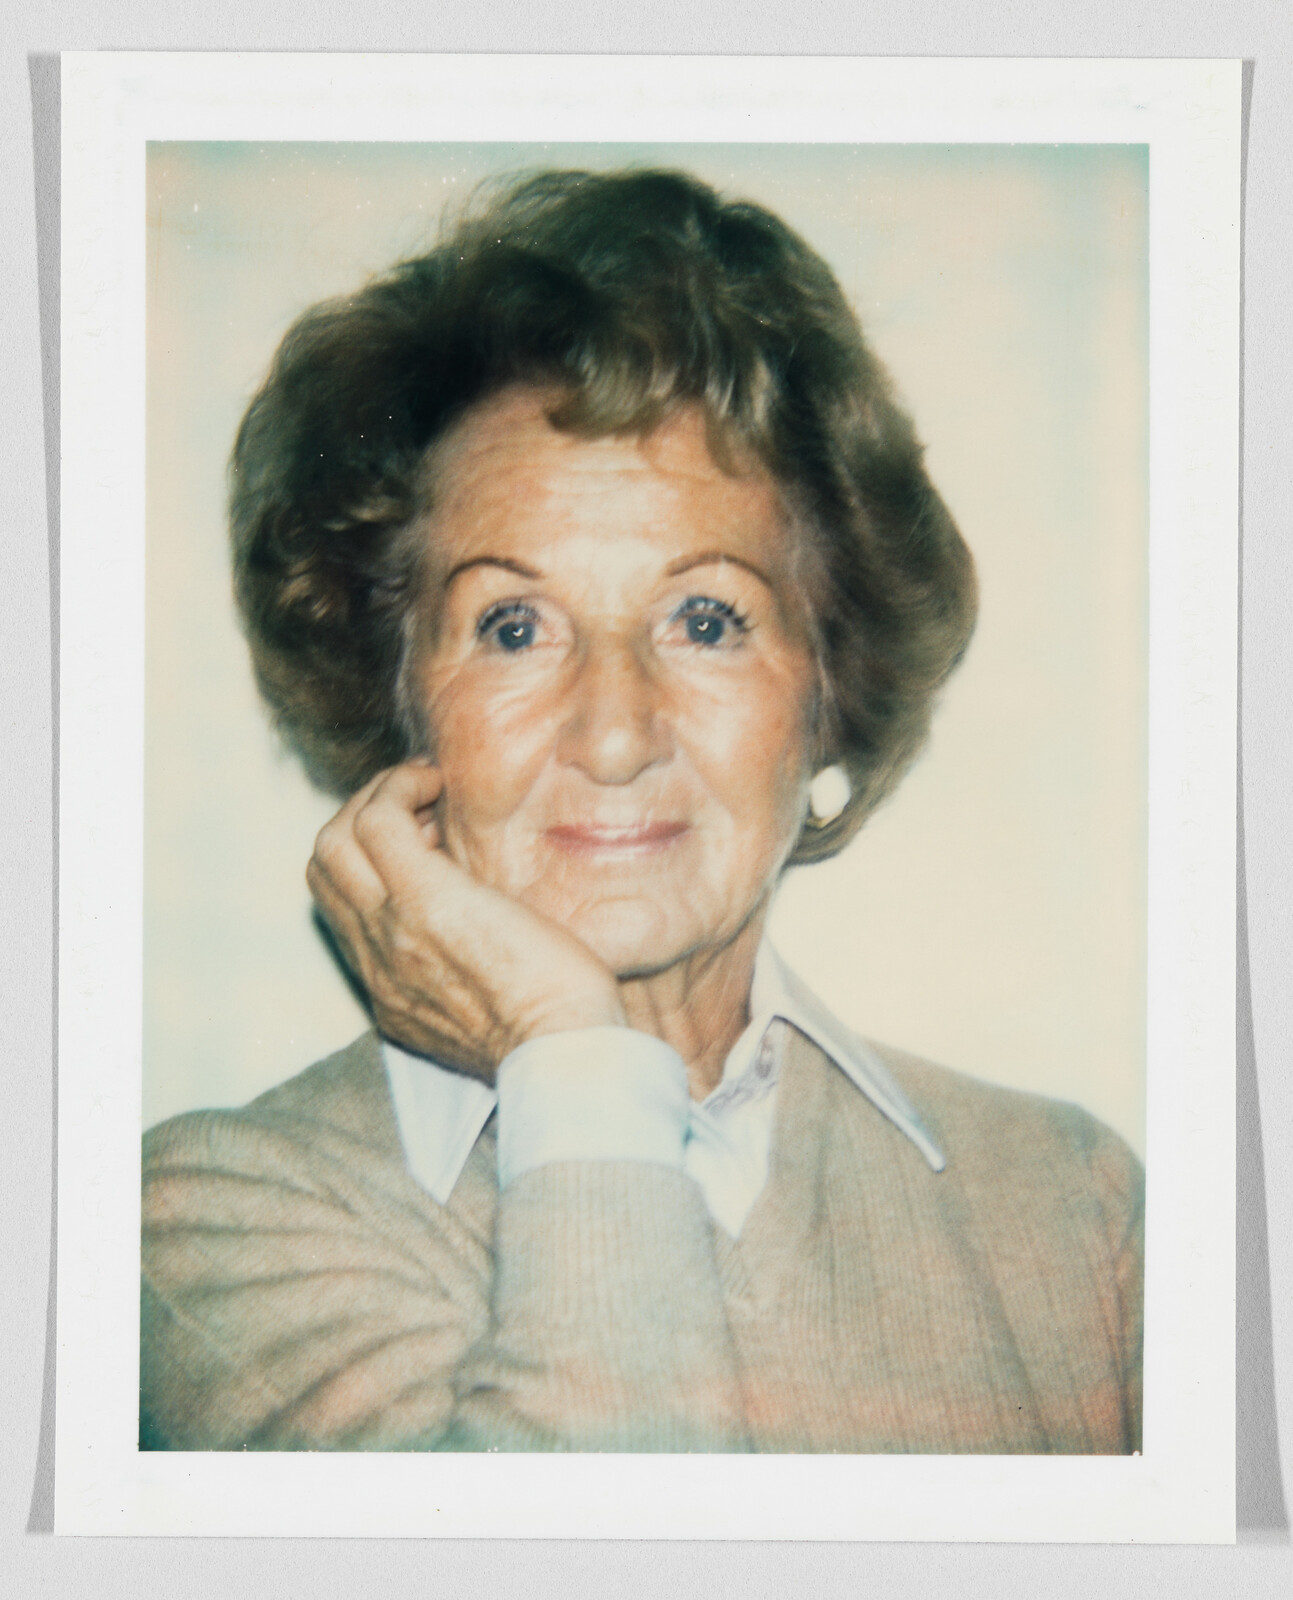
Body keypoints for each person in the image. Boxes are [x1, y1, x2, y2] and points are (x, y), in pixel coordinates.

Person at [140, 168, 1143, 1454]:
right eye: (514, 625)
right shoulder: (217, 1220)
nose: (614, 733)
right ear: (402, 707)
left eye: (706, 617)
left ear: (828, 689)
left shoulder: (1076, 1209)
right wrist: (572, 1047)